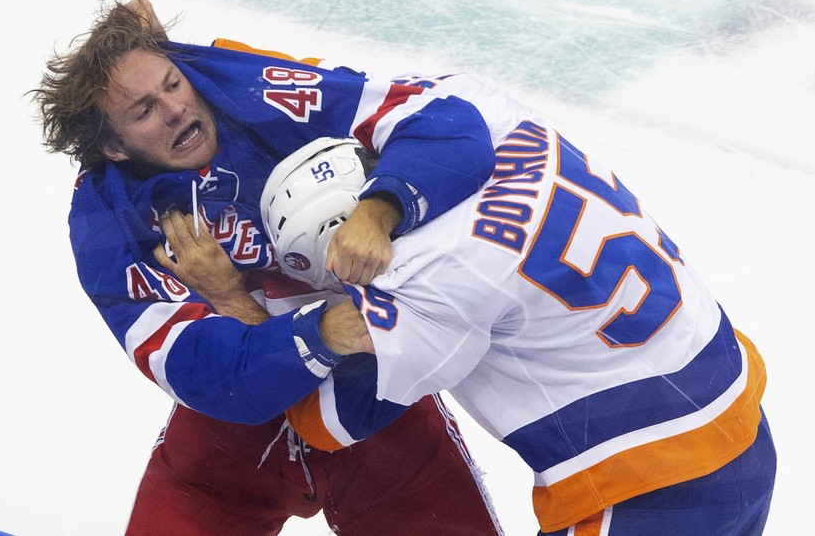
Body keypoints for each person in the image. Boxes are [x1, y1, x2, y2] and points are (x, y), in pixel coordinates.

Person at [198, 87, 776, 535]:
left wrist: (230, 300)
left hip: (651, 490)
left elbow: (321, 421)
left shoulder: (421, 283)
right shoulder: (495, 132)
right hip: (740, 415)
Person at [33, 0, 505, 534]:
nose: (175, 110)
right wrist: (316, 324)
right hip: (226, 450)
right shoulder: (108, 225)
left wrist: (379, 210)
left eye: (172, 83)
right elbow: (220, 382)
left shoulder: (262, 94)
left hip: (378, 419)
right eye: (142, 110)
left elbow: (450, 123)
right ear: (112, 147)